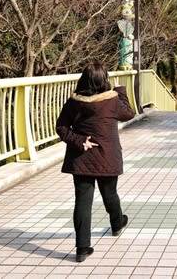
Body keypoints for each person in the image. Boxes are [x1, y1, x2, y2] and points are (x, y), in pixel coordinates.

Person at [56, 62, 136, 262]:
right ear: (104, 80)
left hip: (81, 158)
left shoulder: (74, 102)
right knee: (110, 194)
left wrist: (79, 140)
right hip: (106, 157)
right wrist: (120, 90)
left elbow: (61, 127)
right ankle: (117, 223)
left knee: (82, 202)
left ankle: (82, 248)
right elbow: (129, 113)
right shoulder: (112, 100)